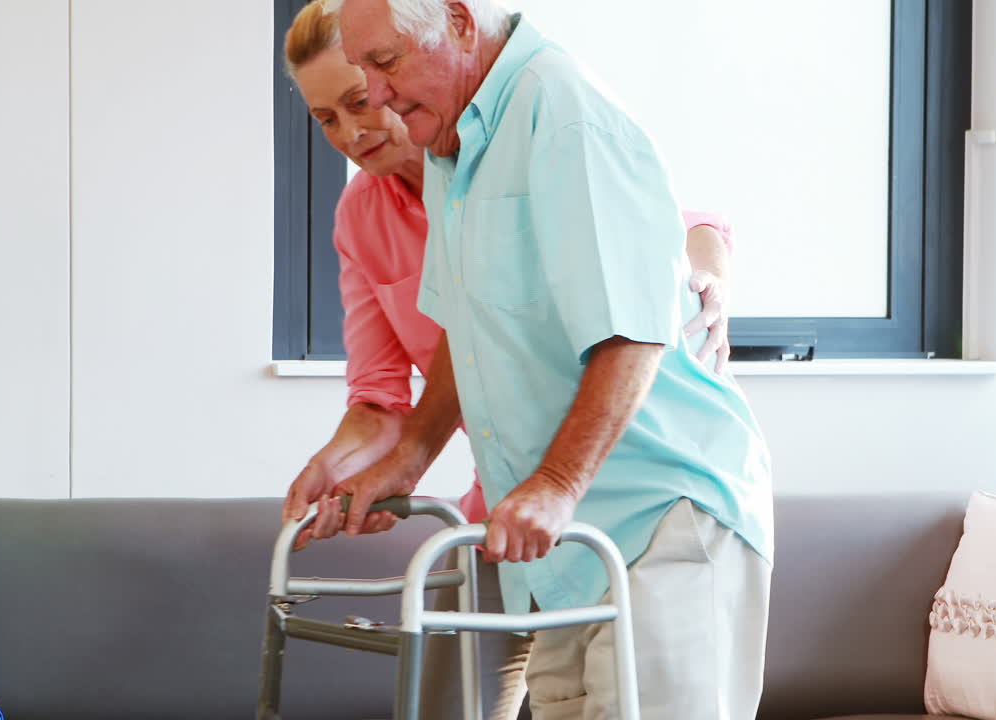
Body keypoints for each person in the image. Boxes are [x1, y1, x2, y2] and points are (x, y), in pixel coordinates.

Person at [279, 2, 738, 716]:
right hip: (541, 527)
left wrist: (555, 481)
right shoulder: (450, 152)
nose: (370, 111)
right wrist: (399, 462)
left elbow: (639, 311)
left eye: (379, 72)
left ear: (458, 22)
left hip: (645, 511)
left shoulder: (558, 110)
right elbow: (463, 334)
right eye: (331, 111)